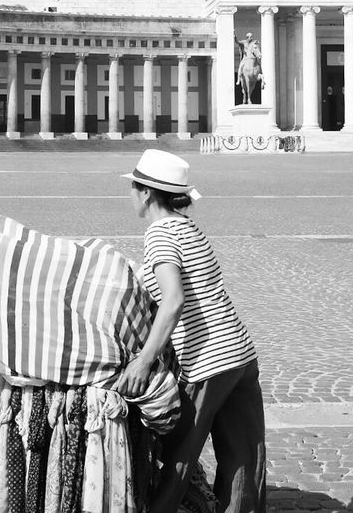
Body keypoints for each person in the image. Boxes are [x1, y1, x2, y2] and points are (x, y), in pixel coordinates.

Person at [116, 149, 265, 513]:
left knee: (177, 458)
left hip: (207, 361)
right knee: (244, 456)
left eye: (133, 188)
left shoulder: (161, 234)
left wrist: (142, 362)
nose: (130, 195)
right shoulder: (187, 226)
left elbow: (174, 301)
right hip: (240, 353)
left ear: (146, 192)